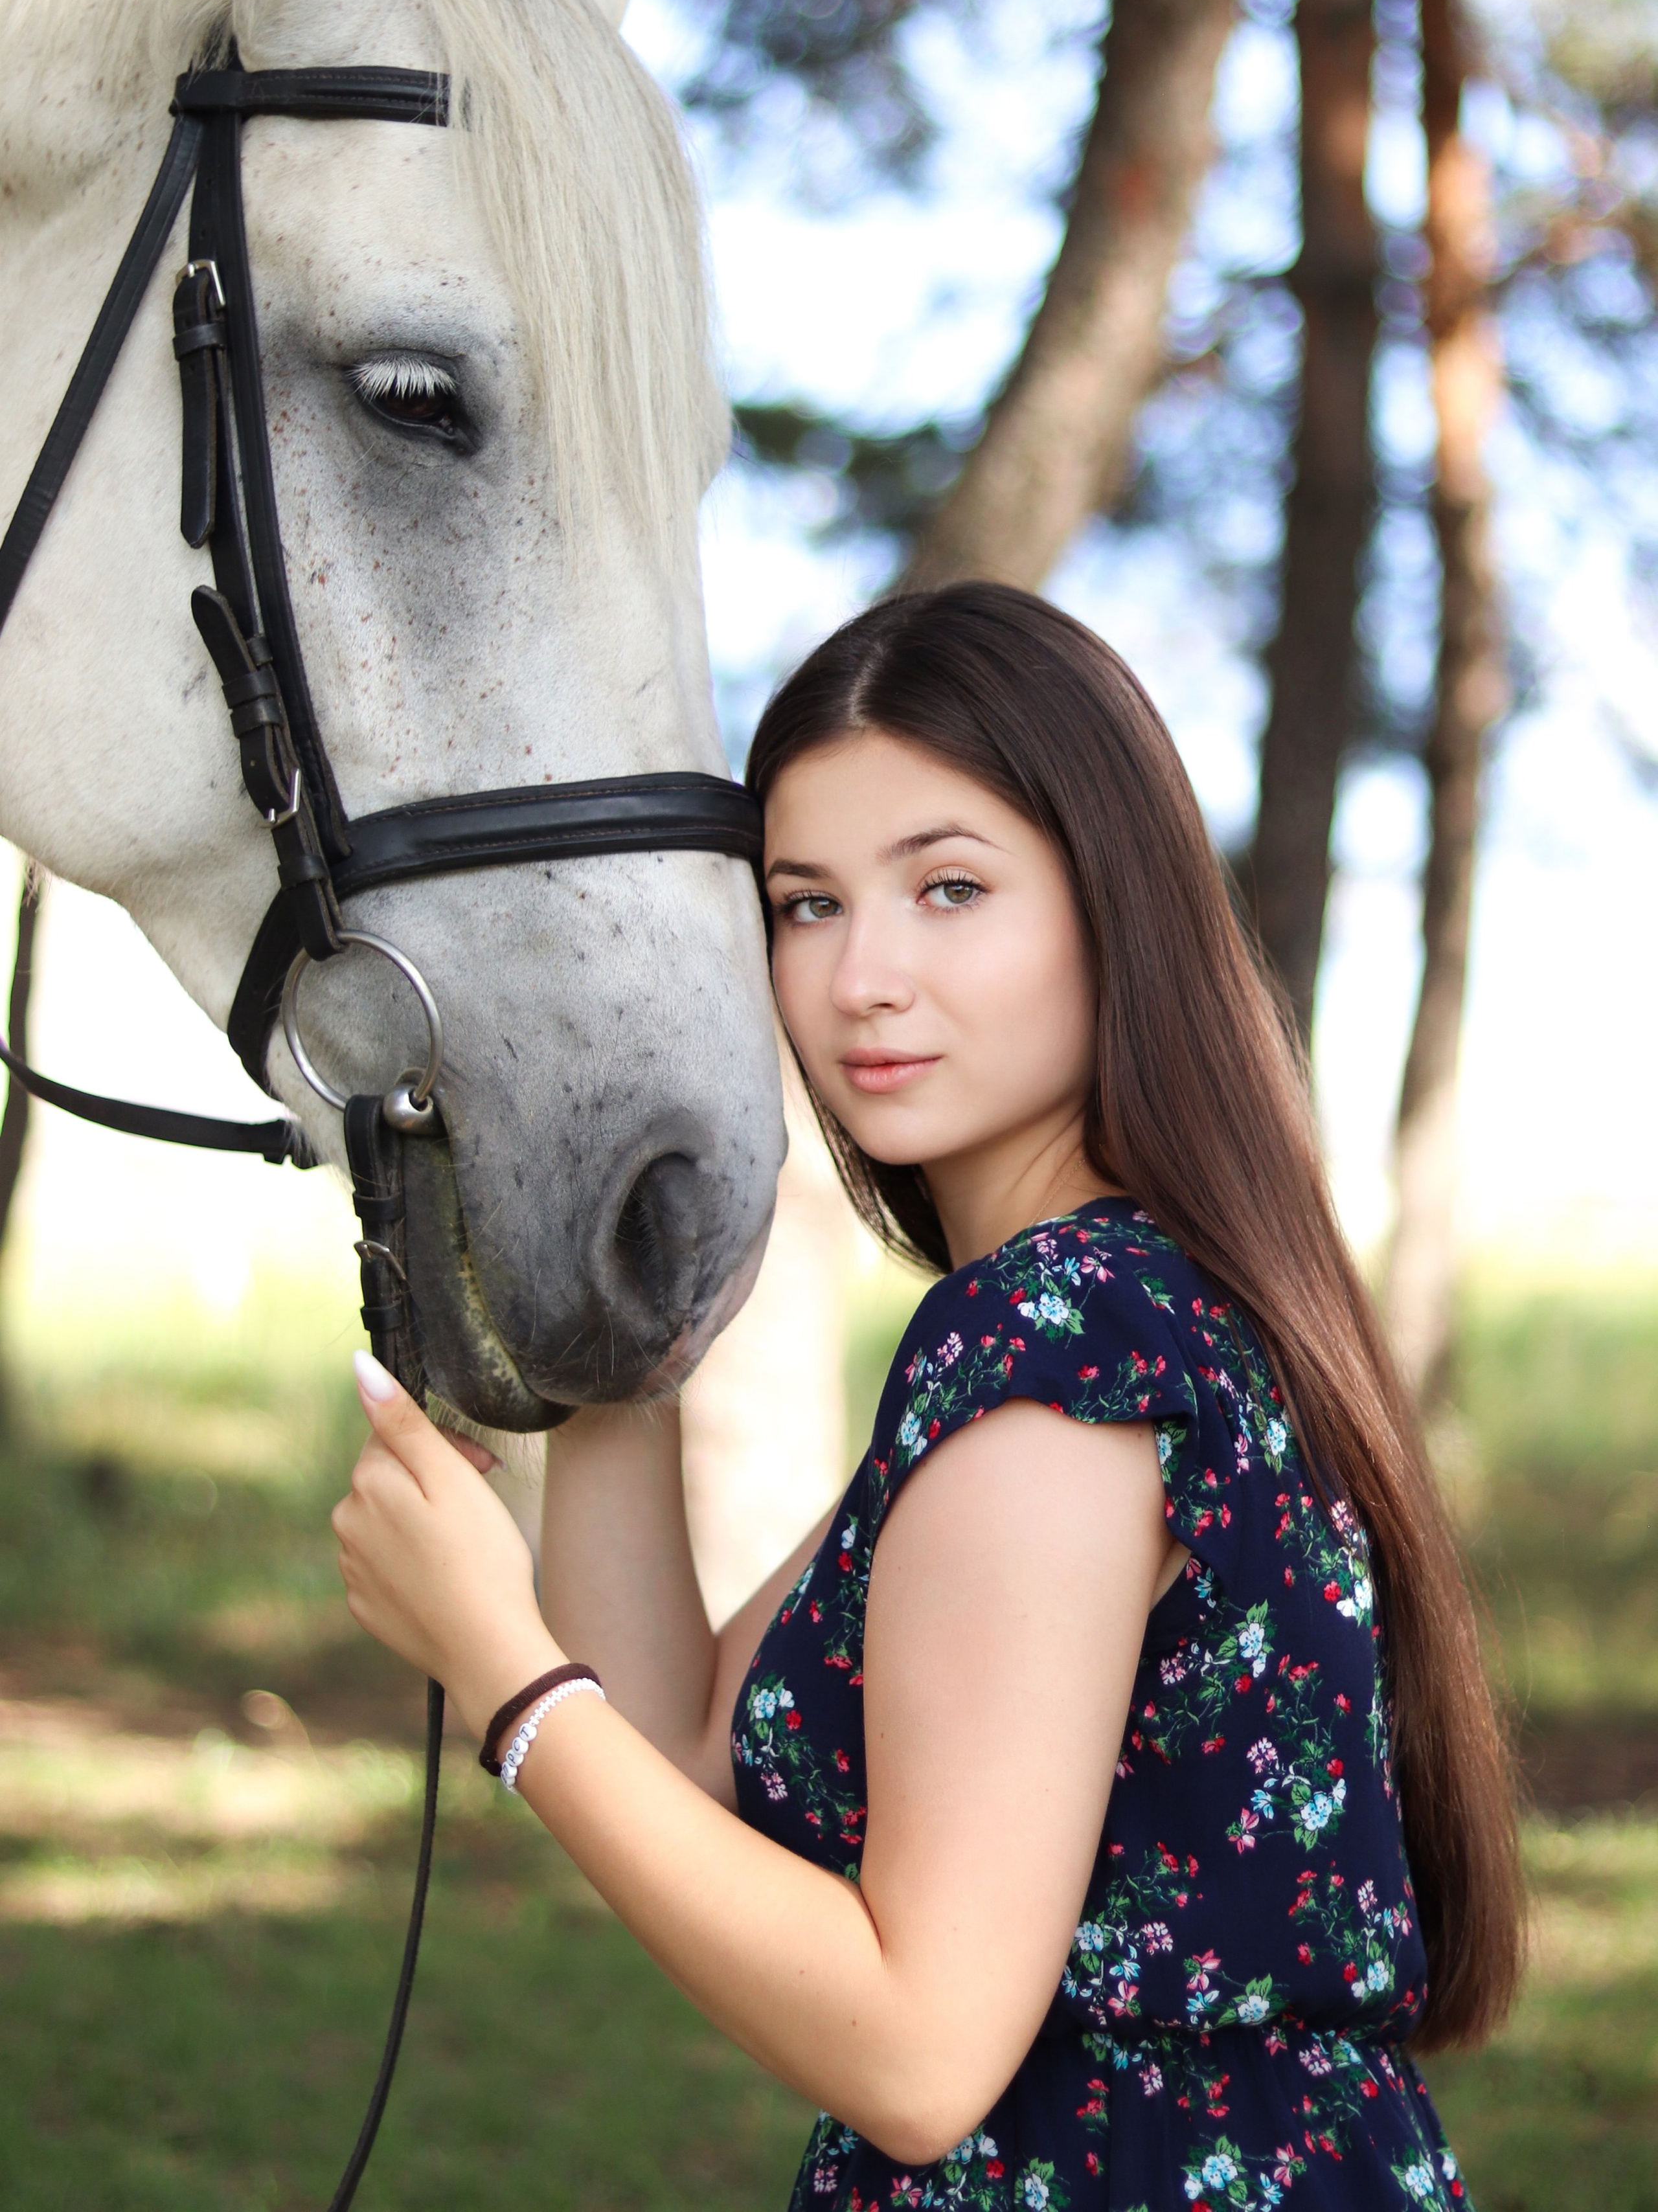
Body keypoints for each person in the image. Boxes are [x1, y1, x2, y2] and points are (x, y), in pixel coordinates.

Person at [333, 583, 1522, 2210]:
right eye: (804, 904)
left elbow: (915, 2054)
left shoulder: (1065, 1352)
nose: (860, 976)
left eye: (947, 888)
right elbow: (682, 1752)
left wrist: (500, 1672)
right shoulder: (1102, 1312)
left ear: (1114, 907)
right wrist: (631, 1341)